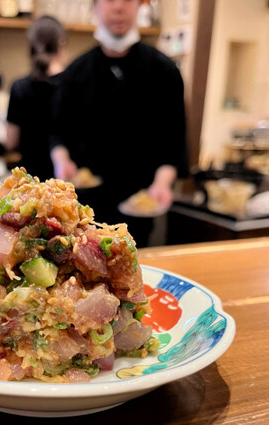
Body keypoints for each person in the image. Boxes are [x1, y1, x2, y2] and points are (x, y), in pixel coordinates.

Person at [50, 0, 189, 246]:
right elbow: (58, 133)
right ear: (94, 7)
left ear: (140, 6)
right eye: (109, 0)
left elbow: (174, 142)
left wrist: (162, 183)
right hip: (85, 210)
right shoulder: (75, 72)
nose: (118, 8)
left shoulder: (164, 71)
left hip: (139, 209)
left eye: (127, 0)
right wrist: (62, 163)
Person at [6, 15, 67, 181]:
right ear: (61, 45)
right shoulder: (72, 84)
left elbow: (11, 142)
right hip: (65, 182)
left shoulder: (19, 87)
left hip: (30, 181)